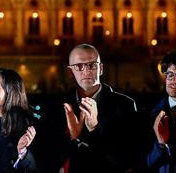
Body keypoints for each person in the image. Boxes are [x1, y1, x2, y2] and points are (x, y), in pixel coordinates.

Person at [48, 44, 139, 172]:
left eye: (92, 65)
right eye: (79, 66)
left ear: (100, 68)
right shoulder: (58, 105)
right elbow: (50, 157)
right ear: (70, 72)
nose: (86, 71)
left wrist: (95, 129)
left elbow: (127, 159)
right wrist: (74, 138)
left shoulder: (124, 105)